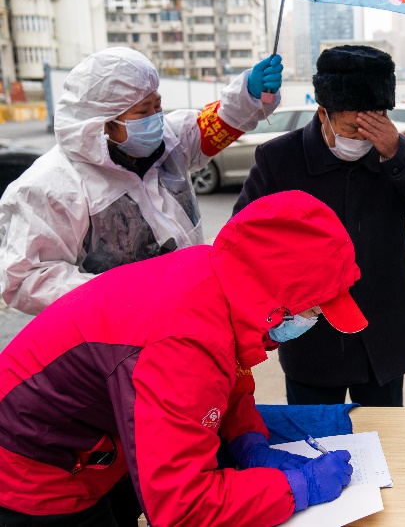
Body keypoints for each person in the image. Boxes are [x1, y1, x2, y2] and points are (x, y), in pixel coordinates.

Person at [0, 191, 360, 527]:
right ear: (276, 297)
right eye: (313, 309)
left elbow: (225, 380)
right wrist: (297, 489)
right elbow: (181, 506)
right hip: (35, 468)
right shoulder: (185, 343)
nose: (312, 322)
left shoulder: (220, 277)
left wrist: (248, 440)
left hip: (94, 441)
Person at [234, 45, 405, 407]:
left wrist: (397, 155)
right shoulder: (279, 158)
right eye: (354, 128)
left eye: (374, 124)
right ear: (324, 113)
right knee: (316, 435)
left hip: (383, 335)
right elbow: (243, 238)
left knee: (384, 434)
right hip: (312, 337)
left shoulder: (394, 149)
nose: (364, 137)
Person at [0, 47, 283, 315]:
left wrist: (250, 95)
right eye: (142, 111)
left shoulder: (168, 141)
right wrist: (125, 294)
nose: (155, 118)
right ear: (103, 123)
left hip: (192, 308)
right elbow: (26, 279)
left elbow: (217, 123)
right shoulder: (52, 187)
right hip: (116, 332)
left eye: (157, 105)